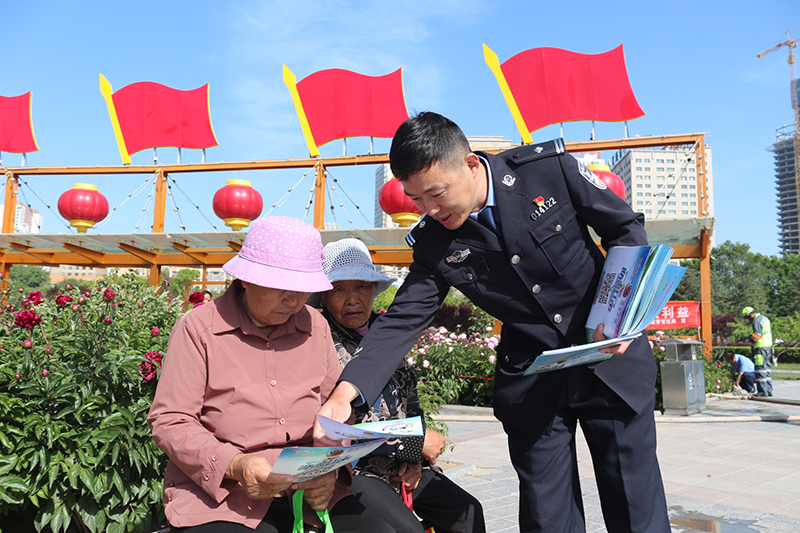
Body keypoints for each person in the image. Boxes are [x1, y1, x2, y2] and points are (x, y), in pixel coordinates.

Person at [315, 112, 670, 533]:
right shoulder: (434, 241)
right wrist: (346, 394)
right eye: (416, 200)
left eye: (436, 194)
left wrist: (620, 315)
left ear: (468, 165)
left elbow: (624, 228)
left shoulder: (547, 171)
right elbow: (402, 320)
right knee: (546, 517)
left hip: (610, 359)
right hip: (535, 381)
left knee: (635, 506)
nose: (429, 210)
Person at [148, 216, 392, 533]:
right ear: (246, 279)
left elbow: (335, 411)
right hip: (225, 495)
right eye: (280, 288)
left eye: (302, 290)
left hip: (308, 487)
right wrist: (236, 464)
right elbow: (171, 420)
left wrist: (330, 469)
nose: (292, 301)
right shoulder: (199, 329)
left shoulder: (315, 327)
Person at [309, 238, 485, 533]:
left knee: (466, 514)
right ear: (324, 297)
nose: (352, 299)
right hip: (354, 470)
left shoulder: (386, 332)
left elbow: (411, 399)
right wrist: (414, 442)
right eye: (339, 289)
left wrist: (413, 459)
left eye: (362, 286)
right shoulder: (319, 340)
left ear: (374, 291)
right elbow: (329, 427)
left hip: (400, 462)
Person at [742, 306, 773, 397]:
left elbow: (757, 335)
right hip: (767, 347)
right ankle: (768, 391)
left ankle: (762, 392)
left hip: (760, 348)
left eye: (747, 317)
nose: (748, 319)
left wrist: (749, 340)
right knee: (766, 370)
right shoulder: (764, 318)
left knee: (760, 370)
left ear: (751, 314)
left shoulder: (757, 321)